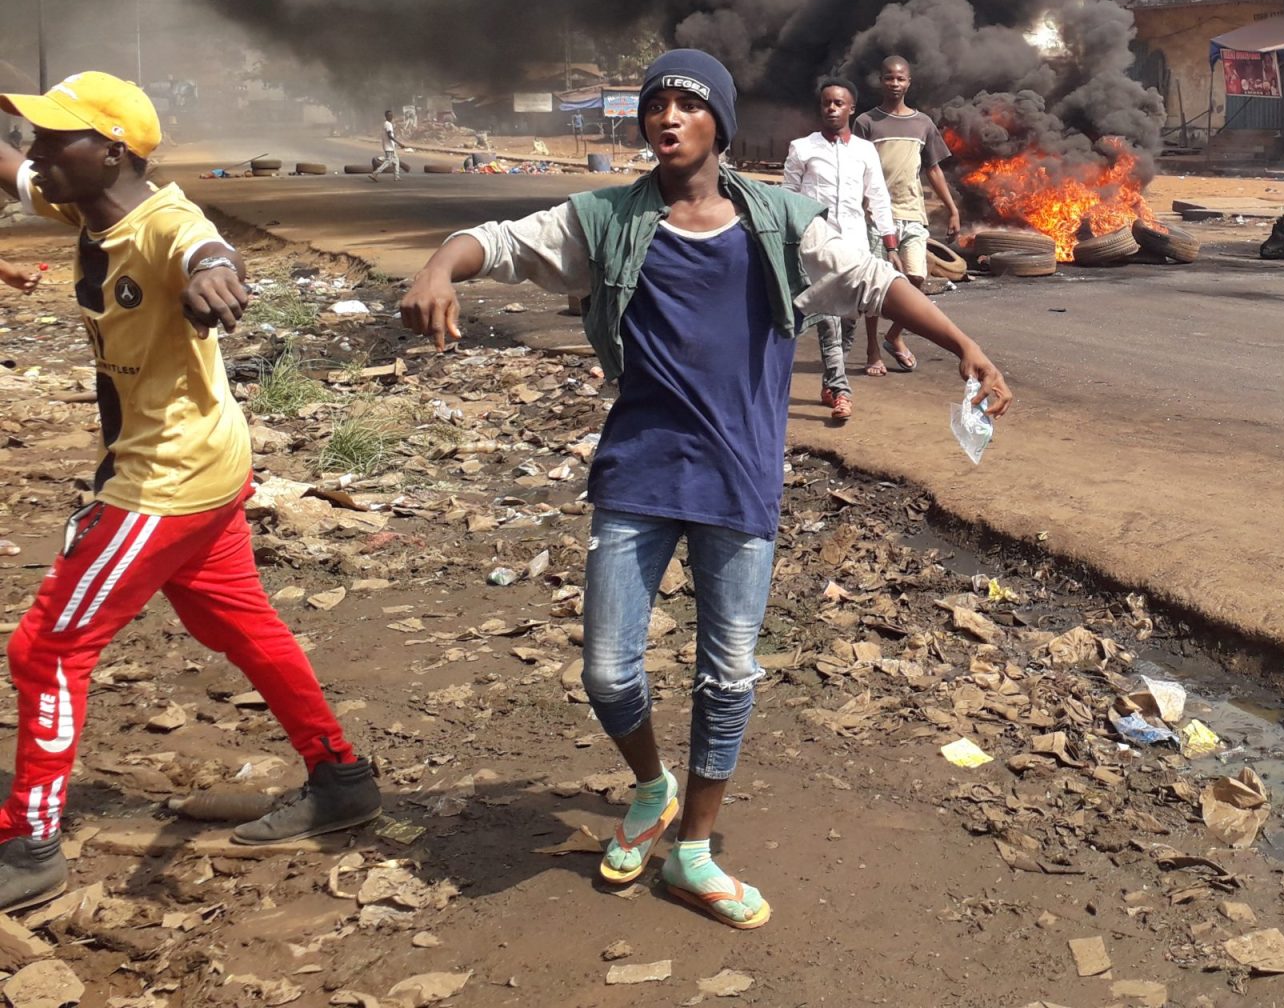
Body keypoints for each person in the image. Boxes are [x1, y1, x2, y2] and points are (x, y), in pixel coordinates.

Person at [399, 50, 1010, 930]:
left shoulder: (781, 221)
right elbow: (496, 242)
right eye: (658, 105)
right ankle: (652, 788)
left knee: (726, 675)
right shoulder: (607, 218)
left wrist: (967, 347)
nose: (669, 117)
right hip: (638, 469)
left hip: (740, 475)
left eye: (689, 104)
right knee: (609, 672)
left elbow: (880, 282)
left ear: (719, 122)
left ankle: (694, 850)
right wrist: (437, 267)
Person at [0, 72, 381, 911]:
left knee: (46, 650)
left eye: (53, 137)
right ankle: (341, 777)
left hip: (165, 477)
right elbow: (11, 171)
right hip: (204, 461)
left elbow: (203, 249)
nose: (36, 153)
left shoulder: (167, 221)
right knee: (233, 620)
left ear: (112, 151)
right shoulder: (83, 206)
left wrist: (216, 273)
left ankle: (29, 845)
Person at [782, 79, 897, 423]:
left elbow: (877, 197)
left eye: (838, 103)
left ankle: (832, 381)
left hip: (855, 246)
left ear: (851, 109)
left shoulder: (865, 151)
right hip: (816, 246)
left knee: (850, 320)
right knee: (828, 321)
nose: (831, 108)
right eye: (826, 103)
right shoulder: (802, 148)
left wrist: (890, 244)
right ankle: (842, 390)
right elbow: (787, 197)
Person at [852, 57, 961, 374]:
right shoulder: (866, 123)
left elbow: (934, 169)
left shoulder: (923, 123)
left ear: (909, 82)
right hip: (875, 216)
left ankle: (893, 336)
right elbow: (856, 168)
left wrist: (952, 209)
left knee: (916, 279)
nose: (895, 84)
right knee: (876, 287)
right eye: (889, 78)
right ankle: (873, 350)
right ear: (881, 81)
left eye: (900, 79)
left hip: (912, 213)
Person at [368, 109, 401, 180]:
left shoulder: (387, 124)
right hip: (389, 147)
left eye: (392, 115)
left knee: (396, 160)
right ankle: (375, 174)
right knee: (388, 162)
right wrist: (399, 143)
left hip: (390, 146)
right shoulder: (388, 124)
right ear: (386, 116)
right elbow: (389, 136)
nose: (391, 117)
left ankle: (397, 176)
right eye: (389, 115)